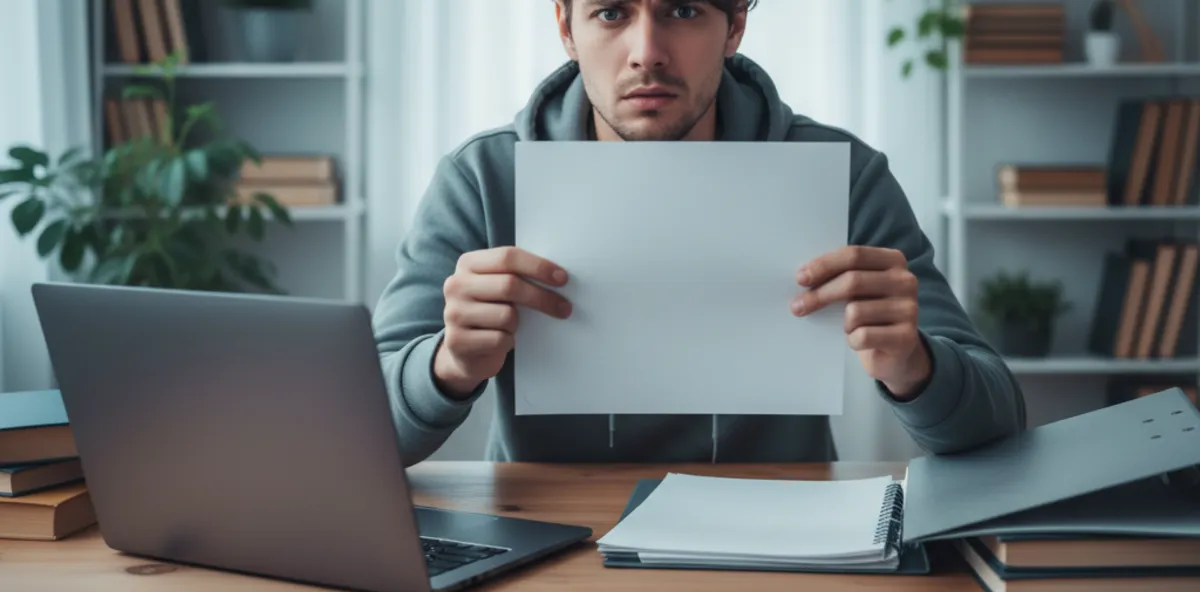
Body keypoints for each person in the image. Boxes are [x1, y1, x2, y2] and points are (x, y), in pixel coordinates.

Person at [372, 0, 1026, 466]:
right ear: (564, 26)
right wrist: (447, 366)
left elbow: (999, 424)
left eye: (682, 11)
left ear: (735, 24)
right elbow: (359, 433)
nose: (647, 52)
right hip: (551, 547)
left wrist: (915, 364)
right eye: (611, 13)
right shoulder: (483, 178)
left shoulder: (843, 175)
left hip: (780, 547)